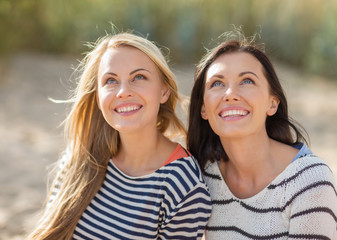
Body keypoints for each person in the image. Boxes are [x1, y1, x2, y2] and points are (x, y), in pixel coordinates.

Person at [28, 32, 212, 240]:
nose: (123, 91)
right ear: (98, 98)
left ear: (164, 91)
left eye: (139, 77)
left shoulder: (182, 183)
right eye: (111, 80)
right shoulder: (79, 157)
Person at [187, 32, 337, 239]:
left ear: (272, 103)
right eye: (217, 83)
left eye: (247, 81)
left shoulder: (308, 181)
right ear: (204, 109)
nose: (230, 94)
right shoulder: (204, 177)